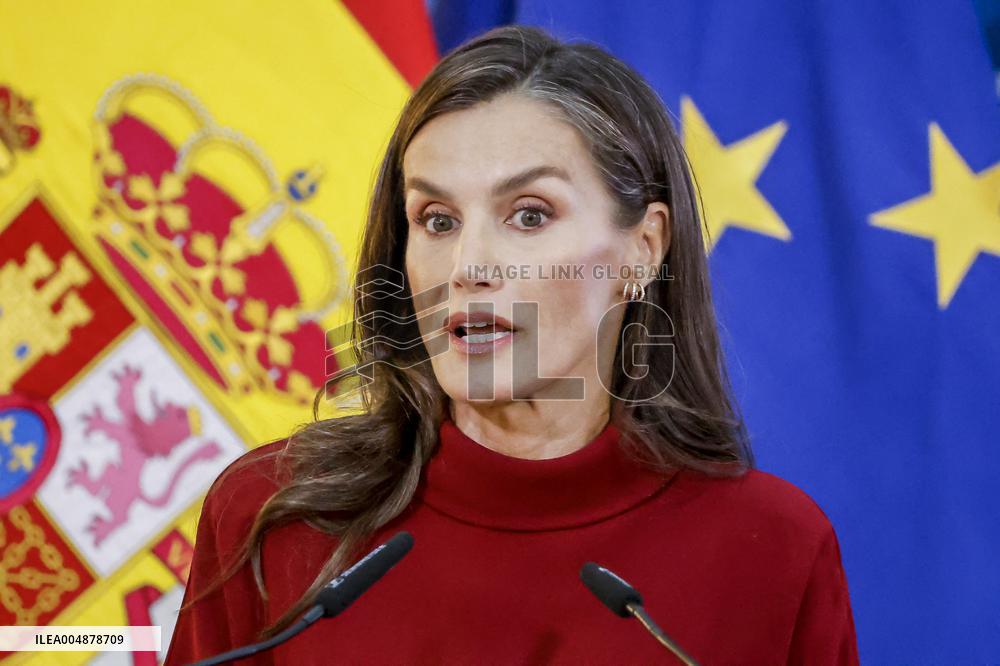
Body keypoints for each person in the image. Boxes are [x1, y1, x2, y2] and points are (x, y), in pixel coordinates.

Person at [165, 24, 859, 665]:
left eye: (529, 215)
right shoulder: (272, 516)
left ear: (643, 249)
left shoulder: (774, 552)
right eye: (437, 220)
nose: (469, 265)